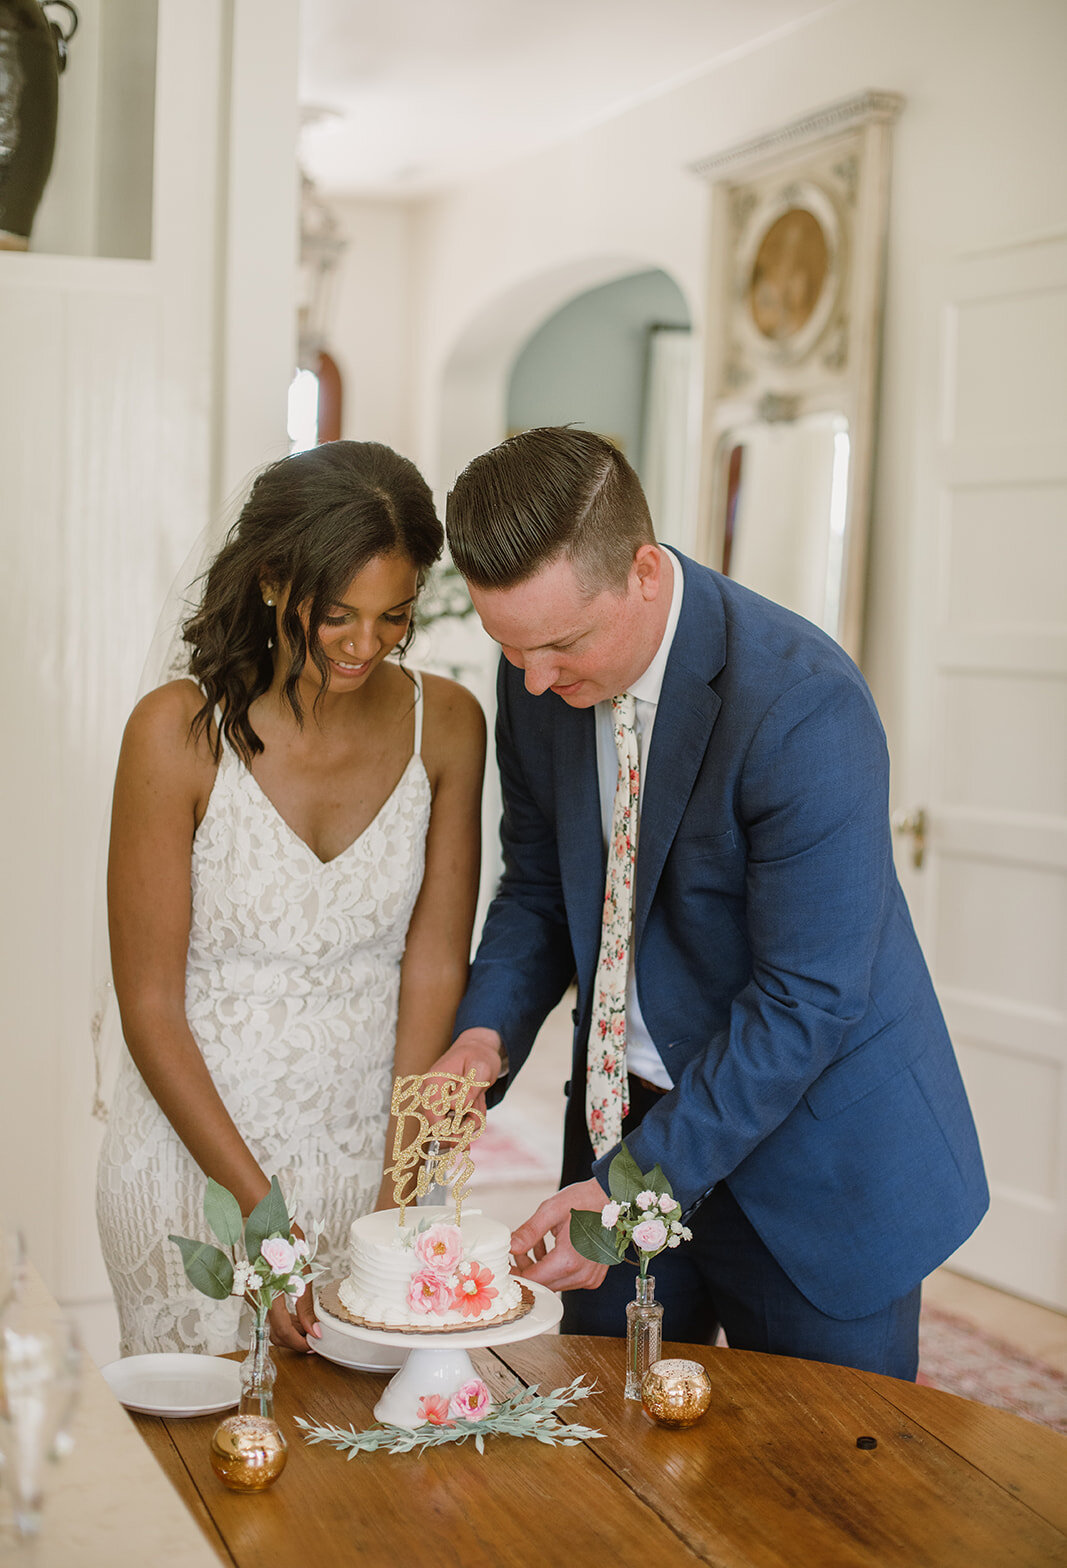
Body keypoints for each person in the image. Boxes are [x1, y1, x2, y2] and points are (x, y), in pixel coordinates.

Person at [437, 426, 987, 1379]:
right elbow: (537, 881)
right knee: (617, 1471)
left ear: (644, 571)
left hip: (815, 1161)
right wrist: (485, 1036)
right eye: (508, 647)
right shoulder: (536, 667)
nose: (533, 680)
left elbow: (803, 1003)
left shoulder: (799, 703)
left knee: (826, 1500)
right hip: (623, 1121)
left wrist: (624, 1191)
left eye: (561, 644)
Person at [96, 441, 485, 1356]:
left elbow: (433, 967)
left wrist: (397, 1198)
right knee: (204, 1470)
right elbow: (149, 1004)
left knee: (359, 1478)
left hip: (374, 1162)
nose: (363, 647)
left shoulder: (450, 726)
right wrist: (259, 1210)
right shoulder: (175, 734)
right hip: (197, 1166)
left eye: (393, 617)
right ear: (275, 581)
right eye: (336, 615)